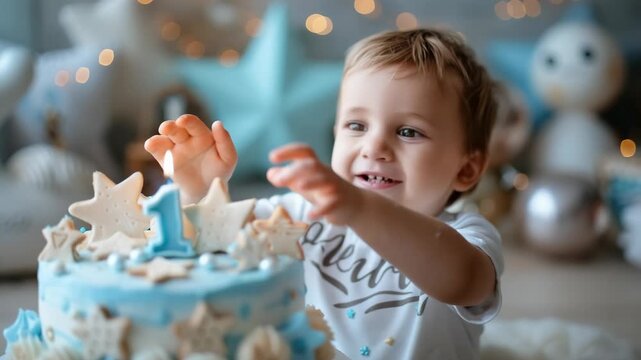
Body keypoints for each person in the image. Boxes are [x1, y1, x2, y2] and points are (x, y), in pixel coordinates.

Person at [145, 28, 503, 359]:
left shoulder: (467, 238)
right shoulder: (301, 213)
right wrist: (200, 190)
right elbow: (214, 240)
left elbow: (461, 281)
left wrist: (360, 208)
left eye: (409, 132)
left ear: (466, 168)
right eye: (357, 125)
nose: (373, 147)